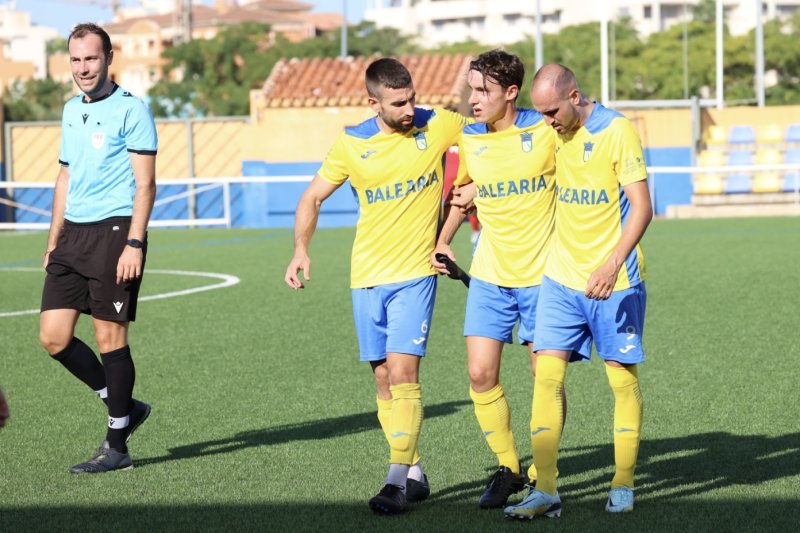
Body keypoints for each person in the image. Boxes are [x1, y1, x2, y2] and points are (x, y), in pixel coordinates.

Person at [284, 58, 468, 515]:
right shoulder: (351, 144)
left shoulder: (437, 124)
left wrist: (473, 188)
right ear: (373, 103)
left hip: (416, 274)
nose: (411, 109)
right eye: (399, 103)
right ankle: (415, 472)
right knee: (383, 379)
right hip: (366, 276)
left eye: (413, 99)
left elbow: (491, 140)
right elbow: (311, 197)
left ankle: (394, 481)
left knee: (405, 374)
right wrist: (301, 250)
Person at [504, 63, 652, 519]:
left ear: (575, 96)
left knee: (620, 380)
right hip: (561, 278)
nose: (547, 120)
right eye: (541, 112)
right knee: (546, 378)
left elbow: (643, 208)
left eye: (552, 111)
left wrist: (611, 263)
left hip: (616, 280)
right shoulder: (555, 131)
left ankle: (623, 482)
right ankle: (545, 490)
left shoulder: (618, 130)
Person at [431, 50, 559, 510]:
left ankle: (546, 478)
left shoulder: (545, 131)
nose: (473, 99)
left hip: (544, 277)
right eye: (470, 89)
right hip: (489, 275)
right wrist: (444, 239)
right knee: (480, 374)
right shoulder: (470, 139)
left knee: (545, 378)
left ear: (511, 92)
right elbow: (462, 195)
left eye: (483, 91)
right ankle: (509, 468)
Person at [38, 23, 157, 473]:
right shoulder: (71, 110)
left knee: (110, 339)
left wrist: (134, 243)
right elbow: (65, 177)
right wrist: (53, 241)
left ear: (109, 57)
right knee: (53, 338)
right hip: (73, 234)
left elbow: (146, 185)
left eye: (90, 58)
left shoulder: (132, 110)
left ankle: (117, 447)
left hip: (114, 231)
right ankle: (127, 406)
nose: (83, 68)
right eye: (75, 60)